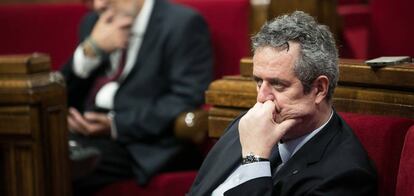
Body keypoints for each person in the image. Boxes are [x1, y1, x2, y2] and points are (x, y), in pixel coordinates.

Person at [188, 11, 377, 196]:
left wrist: (255, 160)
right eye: (259, 82)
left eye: (278, 84)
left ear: (318, 89)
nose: (262, 98)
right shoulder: (248, 126)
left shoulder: (344, 176)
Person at [60, 0, 213, 194]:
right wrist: (90, 51)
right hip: (86, 132)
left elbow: (186, 98)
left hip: (140, 143)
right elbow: (59, 96)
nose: (98, 5)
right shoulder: (93, 23)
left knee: (57, 165)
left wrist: (115, 125)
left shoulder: (182, 23)